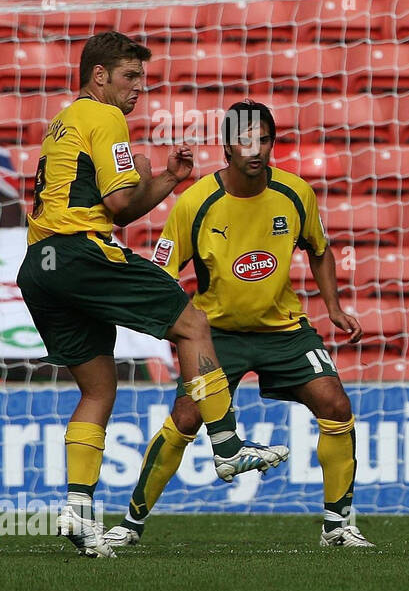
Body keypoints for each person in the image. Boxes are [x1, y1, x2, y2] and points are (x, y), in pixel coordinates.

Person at [17, 32, 288, 558]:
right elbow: (118, 204)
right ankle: (228, 447)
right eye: (130, 77)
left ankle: (77, 509)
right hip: (80, 254)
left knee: (97, 391)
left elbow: (113, 206)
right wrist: (142, 173)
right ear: (100, 76)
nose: (138, 88)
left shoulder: (63, 122)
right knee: (192, 324)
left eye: (141, 77)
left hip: (40, 266)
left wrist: (164, 179)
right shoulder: (104, 118)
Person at [100, 100, 375, 548]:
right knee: (185, 418)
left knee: (337, 406)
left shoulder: (295, 193)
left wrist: (335, 307)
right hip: (217, 336)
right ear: (227, 145)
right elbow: (162, 273)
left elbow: (319, 249)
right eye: (245, 140)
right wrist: (176, 329)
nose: (256, 149)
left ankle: (338, 527)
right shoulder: (196, 201)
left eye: (264, 140)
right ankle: (130, 525)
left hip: (283, 330)